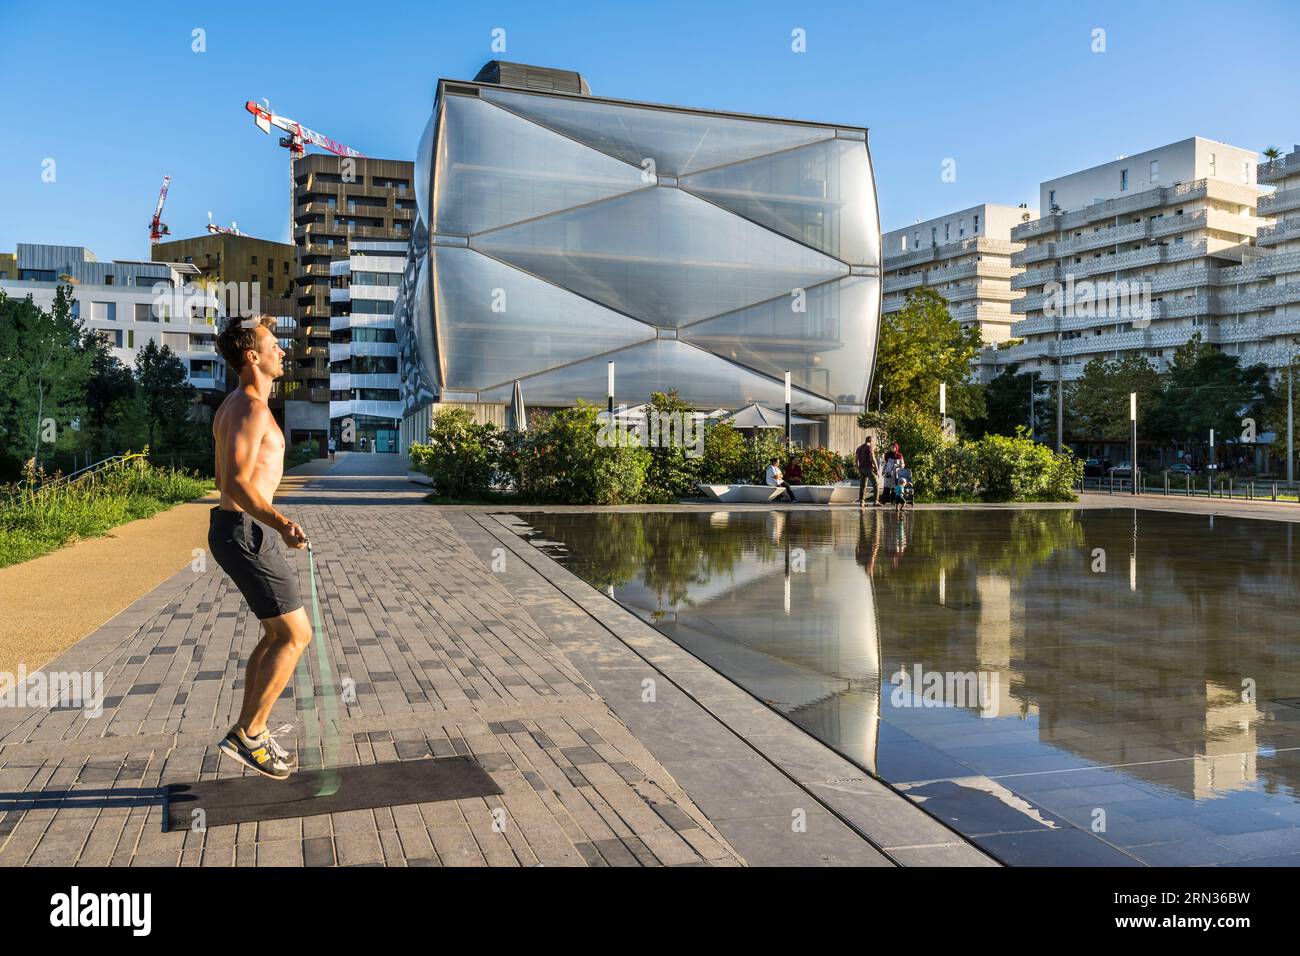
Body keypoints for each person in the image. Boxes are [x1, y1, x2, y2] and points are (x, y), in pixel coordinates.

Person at [208, 316, 311, 781]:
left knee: (277, 635)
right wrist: (282, 522)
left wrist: (257, 323)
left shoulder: (234, 404)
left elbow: (226, 480)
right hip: (247, 530)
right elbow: (235, 483)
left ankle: (252, 730)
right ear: (253, 357)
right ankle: (250, 735)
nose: (282, 352)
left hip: (238, 529)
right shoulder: (250, 408)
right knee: (294, 636)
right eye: (274, 345)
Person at [856, 435, 881, 507]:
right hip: (869, 468)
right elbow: (872, 458)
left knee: (863, 485)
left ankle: (861, 502)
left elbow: (856, 461)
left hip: (862, 468)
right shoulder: (870, 447)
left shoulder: (859, 448)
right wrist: (877, 469)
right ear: (871, 441)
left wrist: (859, 469)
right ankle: (875, 501)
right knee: (876, 483)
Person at [882, 442, 905, 509]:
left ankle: (893, 501)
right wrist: (883, 471)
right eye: (891, 447)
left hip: (895, 474)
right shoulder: (887, 455)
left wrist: (898, 465)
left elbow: (903, 465)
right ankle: (884, 501)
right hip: (888, 473)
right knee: (886, 487)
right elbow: (885, 464)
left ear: (896, 447)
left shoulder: (899, 456)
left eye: (893, 447)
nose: (892, 448)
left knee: (894, 488)